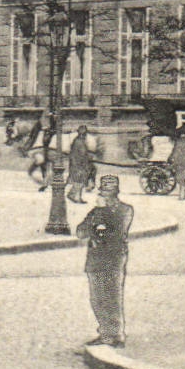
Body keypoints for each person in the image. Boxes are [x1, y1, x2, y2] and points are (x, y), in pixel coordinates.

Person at [75, 175, 133, 347]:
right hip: (95, 259)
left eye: (108, 192)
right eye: (103, 192)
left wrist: (103, 213)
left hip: (114, 258)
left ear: (116, 193)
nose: (104, 195)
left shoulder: (125, 210)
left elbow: (117, 232)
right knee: (97, 298)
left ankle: (115, 334)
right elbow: (80, 232)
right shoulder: (96, 212)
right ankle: (105, 332)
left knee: (112, 296)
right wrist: (97, 215)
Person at [66, 125, 95, 205]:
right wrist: (88, 158)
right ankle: (75, 196)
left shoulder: (77, 140)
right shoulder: (80, 141)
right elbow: (82, 153)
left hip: (77, 163)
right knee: (80, 181)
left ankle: (74, 195)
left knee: (79, 181)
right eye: (84, 133)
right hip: (79, 164)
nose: (84, 135)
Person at [22, 114, 54, 189]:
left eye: (47, 118)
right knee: (42, 165)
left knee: (41, 163)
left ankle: (45, 182)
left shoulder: (46, 130)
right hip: (40, 149)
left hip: (43, 150)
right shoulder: (38, 128)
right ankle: (44, 182)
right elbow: (32, 138)